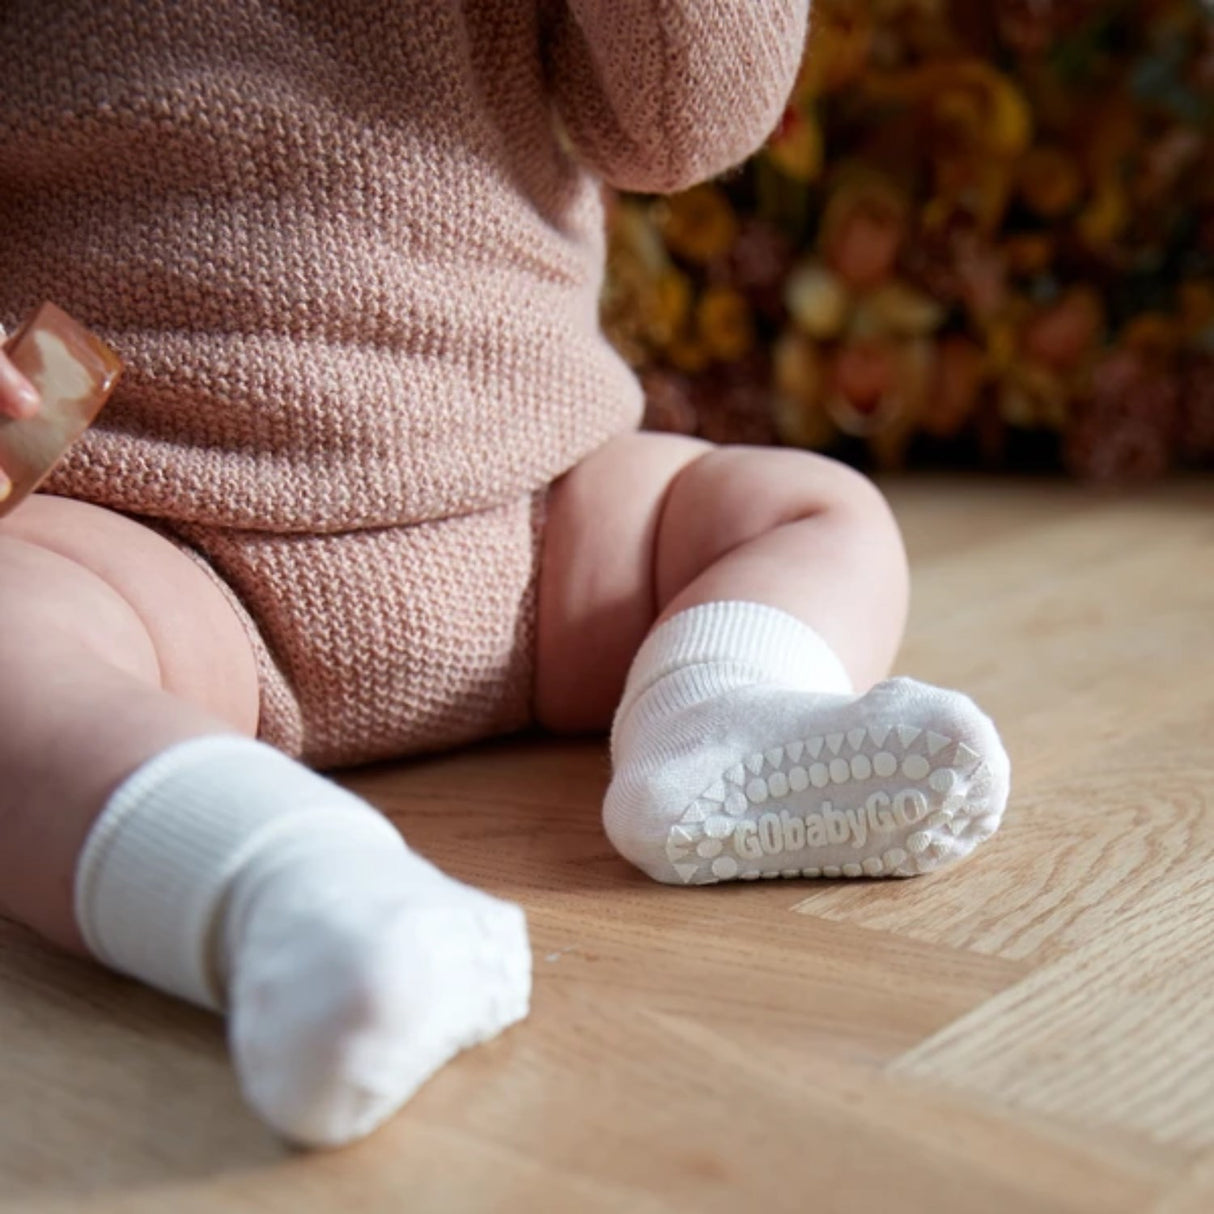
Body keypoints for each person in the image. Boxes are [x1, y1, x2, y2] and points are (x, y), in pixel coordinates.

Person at [0, 0, 1009, 1149]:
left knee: (814, 511)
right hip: (142, 518)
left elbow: (683, 125)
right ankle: (293, 889)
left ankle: (718, 713)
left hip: (538, 506)